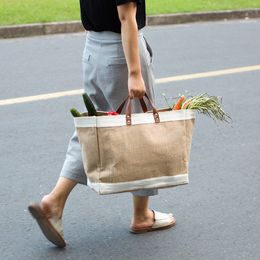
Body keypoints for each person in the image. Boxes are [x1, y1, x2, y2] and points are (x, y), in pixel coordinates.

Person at [28, 0, 175, 248]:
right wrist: (135, 73)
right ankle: (141, 216)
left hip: (93, 50)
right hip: (122, 53)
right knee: (141, 131)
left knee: (90, 133)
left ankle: (54, 202)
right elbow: (126, 15)